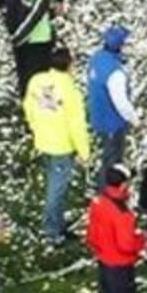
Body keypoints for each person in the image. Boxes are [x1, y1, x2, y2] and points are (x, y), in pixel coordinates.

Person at [24, 44, 90, 245]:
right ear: (69, 65)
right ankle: (52, 231)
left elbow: (28, 106)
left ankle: (58, 223)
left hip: (43, 141)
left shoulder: (37, 81)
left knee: (54, 185)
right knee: (56, 190)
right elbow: (76, 125)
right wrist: (84, 152)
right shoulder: (71, 91)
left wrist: (35, 127)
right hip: (61, 146)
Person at [86, 165, 147, 293]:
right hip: (120, 266)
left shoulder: (98, 201)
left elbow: (91, 234)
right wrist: (141, 239)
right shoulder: (122, 213)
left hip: (104, 261)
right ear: (123, 185)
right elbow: (126, 244)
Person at [6, 0, 63, 98]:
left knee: (36, 84)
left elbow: (35, 16)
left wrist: (17, 38)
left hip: (38, 41)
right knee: (24, 82)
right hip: (26, 41)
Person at [87, 24, 139, 185]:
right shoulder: (115, 73)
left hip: (98, 117)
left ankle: (104, 190)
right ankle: (108, 193)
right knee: (113, 163)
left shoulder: (96, 58)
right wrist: (135, 119)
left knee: (106, 158)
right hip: (113, 123)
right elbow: (121, 102)